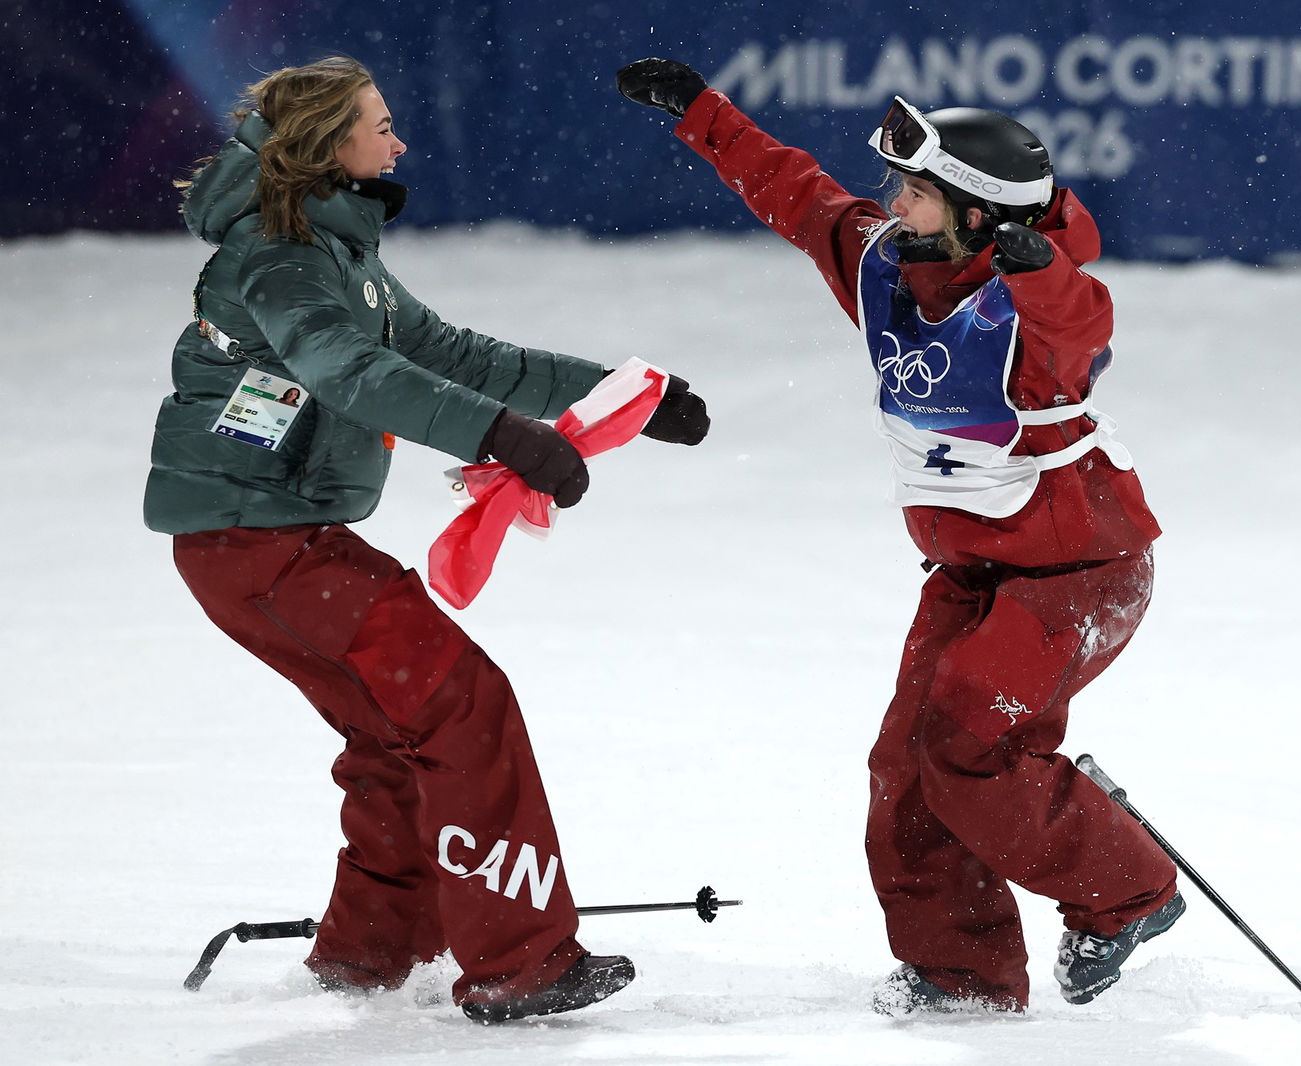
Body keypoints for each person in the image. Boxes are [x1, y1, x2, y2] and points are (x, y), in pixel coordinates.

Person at [145, 56, 709, 1024]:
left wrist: (618, 398)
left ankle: (374, 949)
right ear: (328, 146)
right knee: (463, 705)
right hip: (260, 547)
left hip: (264, 542)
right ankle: (521, 961)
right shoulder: (279, 259)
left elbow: (448, 354)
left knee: (398, 730)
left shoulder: (326, 247)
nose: (398, 141)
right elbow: (348, 368)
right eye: (381, 124)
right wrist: (503, 438)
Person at [618, 58, 1182, 1014]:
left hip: (1080, 572)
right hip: (972, 571)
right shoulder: (886, 265)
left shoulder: (1033, 317)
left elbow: (1083, 323)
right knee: (909, 769)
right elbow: (799, 195)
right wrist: (704, 115)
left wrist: (1037, 270)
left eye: (917, 192)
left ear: (981, 217)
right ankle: (961, 977)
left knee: (971, 741)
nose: (893, 205)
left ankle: (1128, 893)